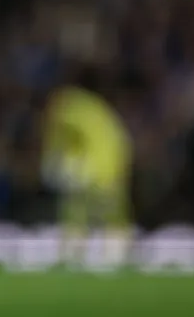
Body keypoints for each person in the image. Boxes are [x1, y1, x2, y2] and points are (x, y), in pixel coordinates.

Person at [42, 84, 133, 270]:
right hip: (113, 168)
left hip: (94, 169)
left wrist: (52, 160)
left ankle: (73, 256)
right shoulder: (94, 110)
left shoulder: (69, 111)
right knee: (111, 215)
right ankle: (114, 258)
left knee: (77, 212)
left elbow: (59, 140)